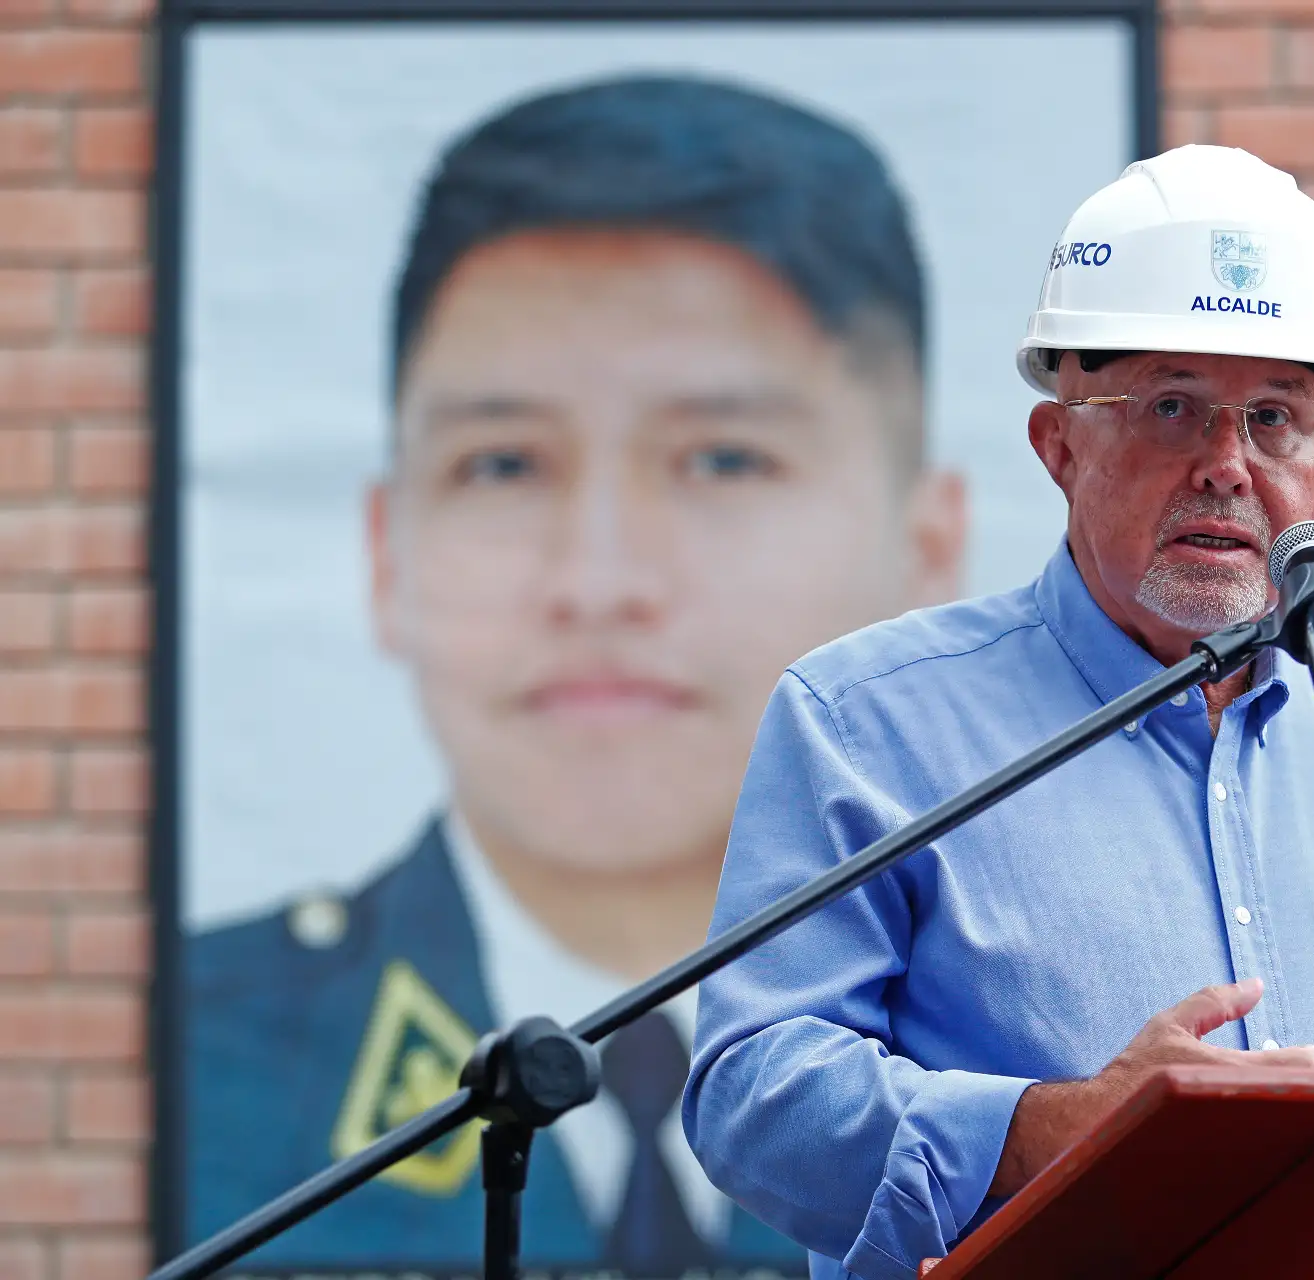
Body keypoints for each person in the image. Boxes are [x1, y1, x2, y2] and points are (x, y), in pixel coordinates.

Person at [683, 143, 1314, 1280]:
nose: (1227, 464)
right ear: (1059, 443)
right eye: (1174, 407)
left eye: (1275, 416)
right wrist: (1048, 1129)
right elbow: (753, 1087)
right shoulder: (867, 723)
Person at [185, 76, 965, 1274]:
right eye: (503, 464)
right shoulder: (212, 1046)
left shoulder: (1007, 1036)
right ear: (388, 551)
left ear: (929, 547)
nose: (599, 582)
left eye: (723, 457)